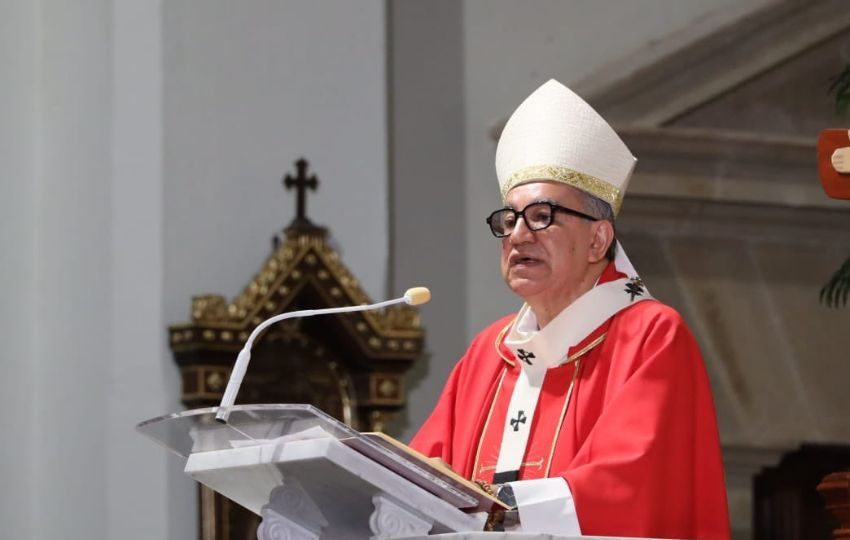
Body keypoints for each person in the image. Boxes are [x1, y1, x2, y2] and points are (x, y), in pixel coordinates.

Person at [409, 79, 730, 539]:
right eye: (509, 219)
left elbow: (630, 485)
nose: (518, 234)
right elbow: (419, 474)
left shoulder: (650, 336)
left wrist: (498, 513)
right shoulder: (489, 352)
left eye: (542, 216)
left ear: (598, 239)